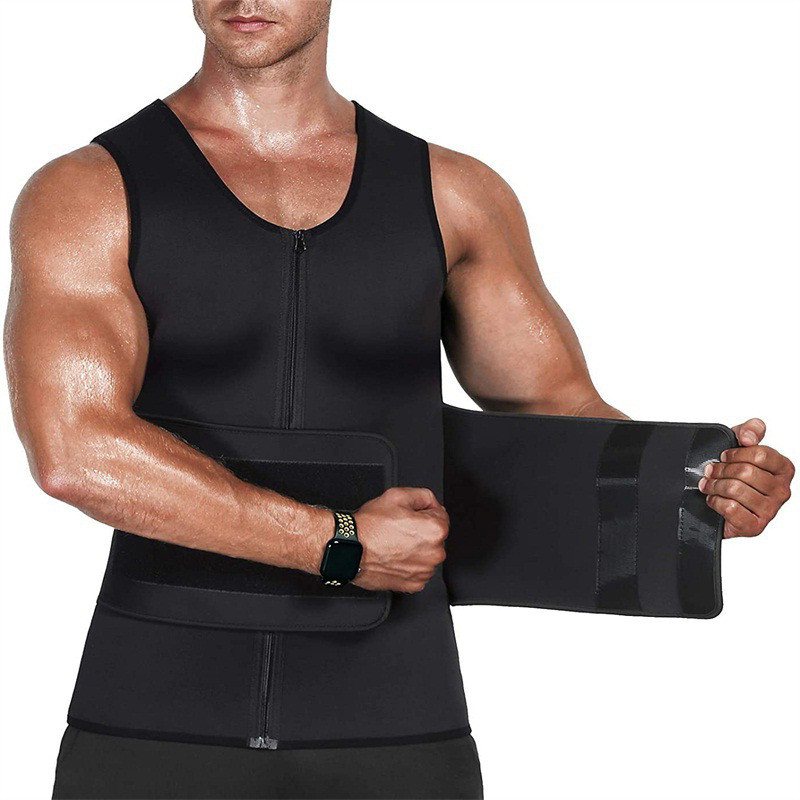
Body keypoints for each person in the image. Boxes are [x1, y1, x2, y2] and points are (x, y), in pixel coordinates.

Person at [4, 2, 794, 798]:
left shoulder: (455, 195)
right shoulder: (86, 192)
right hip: (152, 720)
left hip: (396, 721)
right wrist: (336, 543)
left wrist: (695, 491)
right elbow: (75, 451)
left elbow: (560, 412)